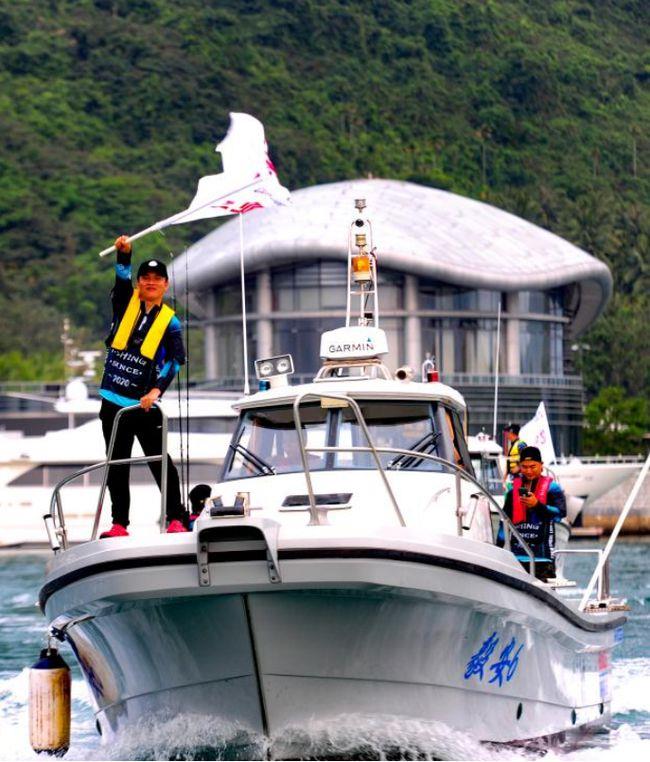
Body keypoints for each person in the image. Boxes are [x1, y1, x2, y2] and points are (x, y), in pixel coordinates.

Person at [98, 235, 187, 538]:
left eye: (156, 279)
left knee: (160, 462)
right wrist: (124, 254)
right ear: (139, 283)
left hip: (143, 406)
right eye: (145, 278)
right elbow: (121, 279)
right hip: (112, 402)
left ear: (165, 285)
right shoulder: (125, 303)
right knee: (117, 464)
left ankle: (176, 518)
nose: (150, 282)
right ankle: (119, 524)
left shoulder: (171, 322)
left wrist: (155, 391)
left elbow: (175, 361)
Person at [499, 446, 566, 581]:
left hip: (543, 558)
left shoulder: (553, 489)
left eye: (532, 466)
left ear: (541, 465)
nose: (528, 471)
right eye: (525, 467)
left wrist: (537, 505)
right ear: (520, 466)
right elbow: (504, 522)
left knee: (543, 590)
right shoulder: (512, 491)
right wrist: (498, 549)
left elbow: (560, 514)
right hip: (516, 558)